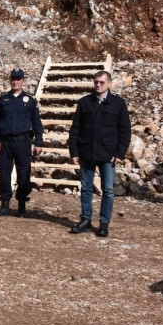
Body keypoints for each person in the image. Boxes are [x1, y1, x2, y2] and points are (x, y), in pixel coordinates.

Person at [68, 71, 131, 237]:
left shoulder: (118, 104)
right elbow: (75, 129)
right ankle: (86, 219)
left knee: (108, 190)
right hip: (86, 152)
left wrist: (120, 153)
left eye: (102, 82)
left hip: (108, 153)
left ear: (109, 84)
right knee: (86, 188)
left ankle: (104, 223)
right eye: (96, 82)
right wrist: (74, 151)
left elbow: (125, 130)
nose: (98, 85)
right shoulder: (84, 103)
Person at [0, 69, 43, 217]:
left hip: (23, 142)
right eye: (13, 79)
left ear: (23, 81)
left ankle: (21, 205)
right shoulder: (3, 99)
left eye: (18, 79)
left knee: (24, 173)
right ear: (10, 80)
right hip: (5, 142)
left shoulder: (30, 100)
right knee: (5, 173)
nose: (15, 82)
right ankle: (5, 204)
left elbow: (37, 123)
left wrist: (39, 142)